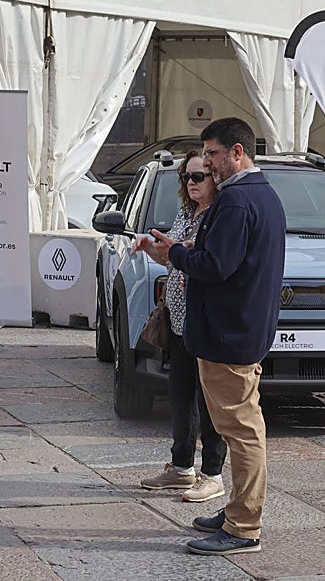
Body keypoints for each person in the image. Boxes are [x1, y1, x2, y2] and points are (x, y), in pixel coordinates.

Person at [141, 117, 285, 557]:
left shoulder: (239, 201)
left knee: (241, 432)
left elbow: (215, 265)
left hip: (229, 333)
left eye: (213, 153)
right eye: (206, 154)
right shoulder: (258, 195)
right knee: (239, 426)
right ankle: (237, 510)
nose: (207, 162)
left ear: (237, 152)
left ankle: (243, 527)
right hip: (237, 329)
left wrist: (175, 253)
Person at [136, 151, 227, 503]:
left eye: (199, 177)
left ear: (215, 180)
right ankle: (181, 467)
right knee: (180, 393)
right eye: (186, 177)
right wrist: (149, 248)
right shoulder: (186, 213)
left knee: (209, 401)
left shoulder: (218, 216)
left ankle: (213, 474)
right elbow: (171, 255)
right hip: (178, 320)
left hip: (204, 321)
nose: (191, 182)